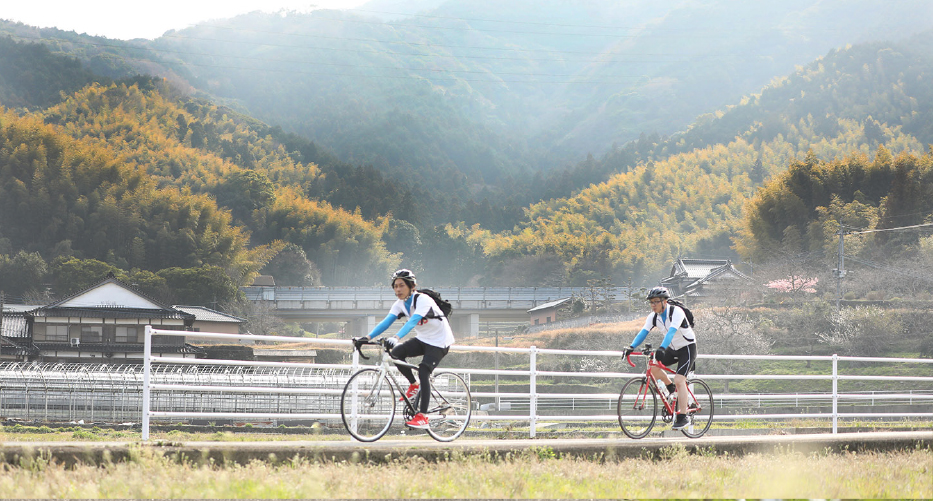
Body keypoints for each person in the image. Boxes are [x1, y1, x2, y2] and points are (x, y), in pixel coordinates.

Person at [352, 269, 455, 429]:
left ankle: (423, 416)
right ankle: (414, 385)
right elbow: (387, 322)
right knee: (397, 353)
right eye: (395, 286)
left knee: (423, 371)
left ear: (411, 286)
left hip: (439, 341)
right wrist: (367, 338)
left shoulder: (423, 300)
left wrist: (397, 338)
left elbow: (412, 321)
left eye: (401, 285)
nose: (398, 290)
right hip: (424, 339)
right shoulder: (399, 304)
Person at [623, 286, 698, 431]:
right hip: (673, 347)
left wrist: (662, 349)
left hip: (687, 348)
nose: (653, 305)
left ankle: (683, 416)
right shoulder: (653, 317)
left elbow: (671, 332)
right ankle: (671, 389)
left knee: (679, 379)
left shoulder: (676, 312)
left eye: (656, 302)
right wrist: (631, 347)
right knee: (654, 367)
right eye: (651, 302)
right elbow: (643, 332)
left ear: (665, 301)